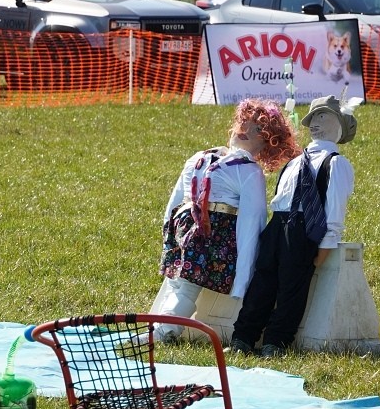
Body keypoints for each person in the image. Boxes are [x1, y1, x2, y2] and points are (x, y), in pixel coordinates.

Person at [153, 99, 299, 342]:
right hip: (184, 230)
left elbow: (252, 222)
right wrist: (167, 226)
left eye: (258, 130)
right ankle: (158, 324)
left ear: (267, 143)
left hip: (212, 237)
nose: (247, 130)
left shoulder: (249, 171)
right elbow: (178, 194)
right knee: (176, 280)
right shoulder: (202, 156)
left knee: (187, 285)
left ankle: (166, 331)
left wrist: (243, 278)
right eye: (244, 122)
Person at [229, 95, 357, 358]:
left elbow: (334, 207)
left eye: (324, 117)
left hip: (303, 228)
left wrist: (325, 244)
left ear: (340, 126)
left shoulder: (336, 164)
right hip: (278, 224)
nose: (316, 123)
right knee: (262, 280)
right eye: (313, 118)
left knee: (292, 287)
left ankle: (276, 341)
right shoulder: (296, 160)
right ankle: (243, 335)